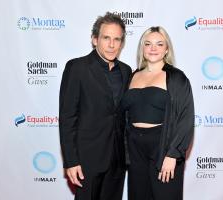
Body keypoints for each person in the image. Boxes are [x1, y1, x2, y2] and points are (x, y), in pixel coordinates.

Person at [59, 12, 132, 200]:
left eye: (117, 39)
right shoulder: (77, 68)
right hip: (87, 161)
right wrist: (71, 161)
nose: (111, 44)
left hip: (117, 160)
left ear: (122, 43)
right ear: (94, 39)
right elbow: (67, 119)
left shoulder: (126, 71)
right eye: (106, 38)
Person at [122, 26, 194, 200]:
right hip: (135, 148)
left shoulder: (177, 78)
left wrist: (173, 154)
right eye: (148, 44)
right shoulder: (133, 76)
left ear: (166, 48)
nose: (153, 48)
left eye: (159, 44)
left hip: (163, 146)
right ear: (142, 48)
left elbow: (186, 118)